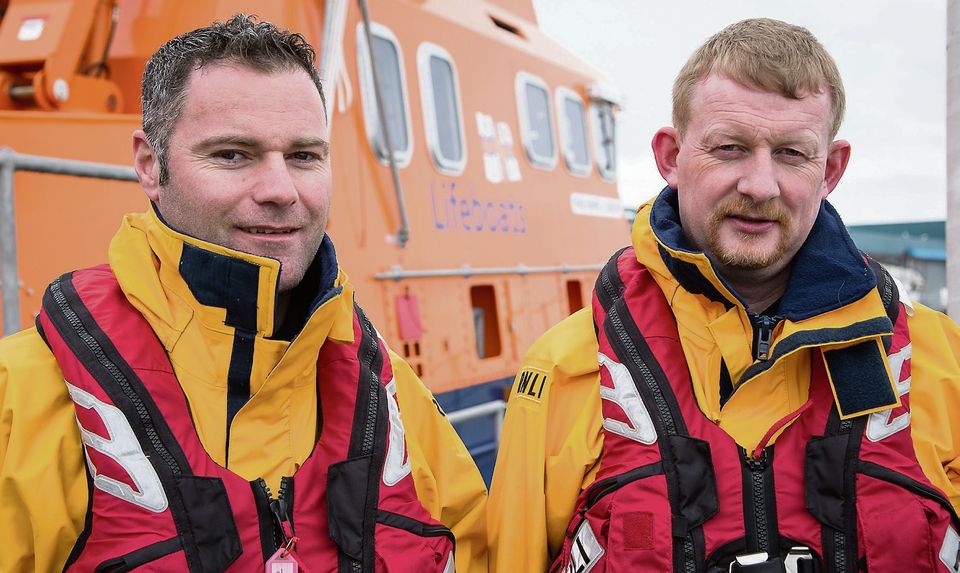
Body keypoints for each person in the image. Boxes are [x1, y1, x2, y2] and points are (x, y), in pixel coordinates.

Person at [0, 14, 486, 572]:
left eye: (304, 155)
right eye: (233, 155)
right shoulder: (24, 398)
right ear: (149, 165)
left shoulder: (395, 398)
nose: (280, 189)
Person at [488, 17, 960, 572]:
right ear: (670, 157)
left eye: (791, 154)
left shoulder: (940, 362)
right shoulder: (568, 370)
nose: (760, 185)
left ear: (830, 168)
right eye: (731, 148)